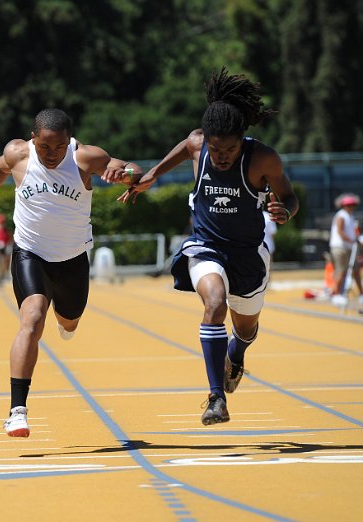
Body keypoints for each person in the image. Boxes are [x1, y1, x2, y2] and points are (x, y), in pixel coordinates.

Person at [120, 68, 298, 426]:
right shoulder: (196, 144)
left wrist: (285, 211)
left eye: (230, 149)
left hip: (248, 254)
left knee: (245, 329)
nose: (221, 156)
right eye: (216, 149)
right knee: (214, 302)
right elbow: (163, 166)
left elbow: (289, 198)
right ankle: (216, 397)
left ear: (243, 139)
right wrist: (147, 180)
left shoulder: (263, 159)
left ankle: (238, 352)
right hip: (205, 246)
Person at [0, 108, 140, 437]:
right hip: (29, 252)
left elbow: (126, 168)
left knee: (68, 320)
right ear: (32, 138)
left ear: (70, 141)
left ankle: (67, 321)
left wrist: (129, 175)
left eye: (59, 147)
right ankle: (17, 411)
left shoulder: (87, 158)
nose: (52, 155)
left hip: (72, 258)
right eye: (45, 147)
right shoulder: (17, 153)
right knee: (33, 318)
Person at [329, 193, 362, 300]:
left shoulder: (351, 216)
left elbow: (353, 232)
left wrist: (357, 239)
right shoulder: (341, 215)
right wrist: (352, 240)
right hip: (340, 248)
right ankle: (337, 294)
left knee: (356, 271)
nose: (351, 207)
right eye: (349, 205)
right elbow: (340, 232)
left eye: (352, 205)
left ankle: (361, 293)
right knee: (341, 270)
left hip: (349, 248)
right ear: (344, 206)